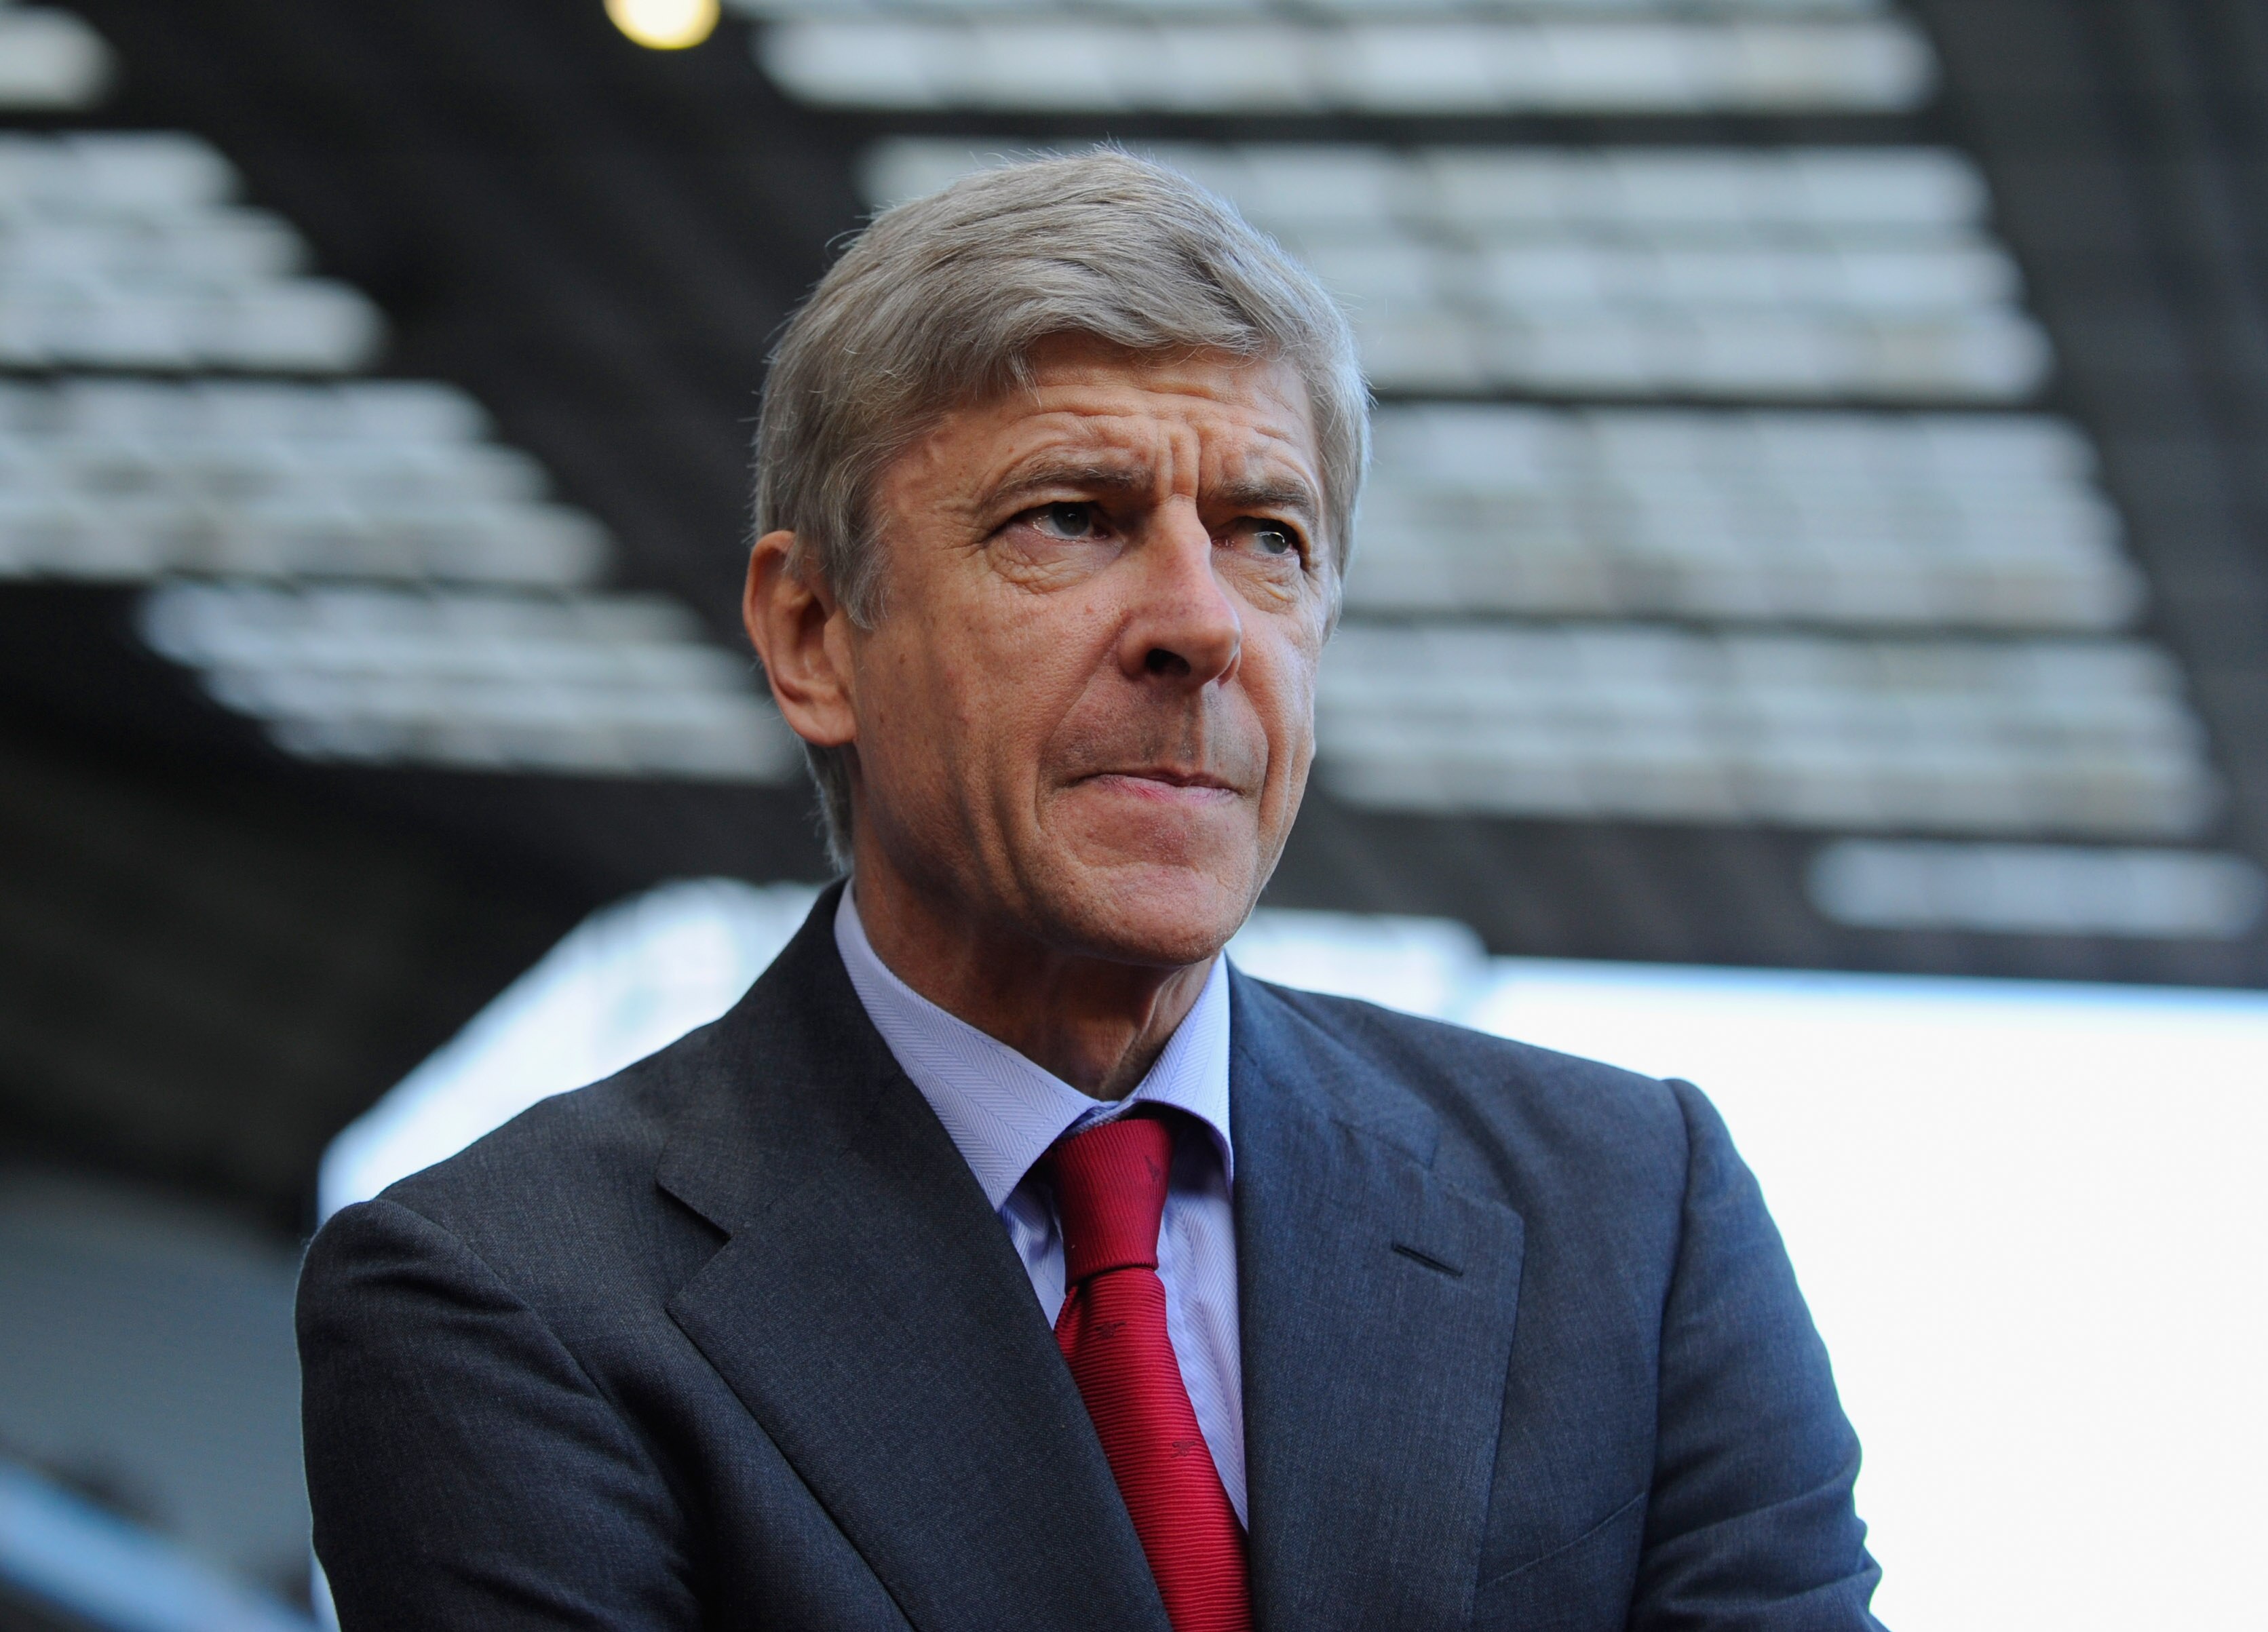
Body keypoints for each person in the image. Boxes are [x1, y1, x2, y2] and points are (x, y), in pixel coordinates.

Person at [297, 150, 1884, 1631]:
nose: (1200, 626)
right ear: (809, 634)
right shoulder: (507, 1305)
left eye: (1267, 537)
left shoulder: (1626, 1208)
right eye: (1071, 518)